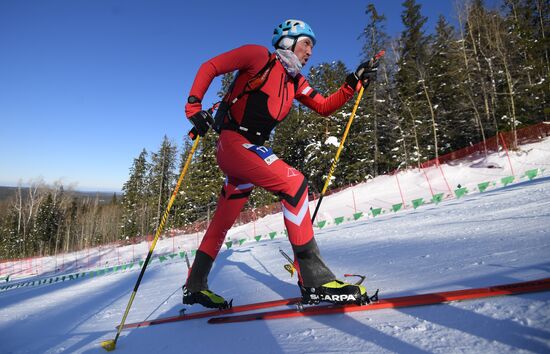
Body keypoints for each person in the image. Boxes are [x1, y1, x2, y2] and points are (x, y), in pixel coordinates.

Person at [183, 19, 378, 309]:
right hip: (233, 143)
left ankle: (195, 285)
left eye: (313, 46)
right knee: (294, 182)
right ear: (288, 40)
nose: (311, 51)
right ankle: (315, 280)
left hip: (250, 150)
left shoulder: (295, 81)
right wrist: (194, 107)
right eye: (306, 43)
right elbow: (210, 66)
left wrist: (353, 82)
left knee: (223, 220)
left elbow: (323, 106)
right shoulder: (258, 56)